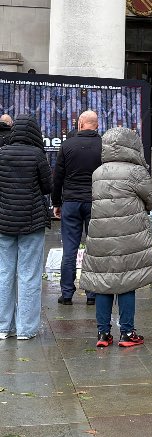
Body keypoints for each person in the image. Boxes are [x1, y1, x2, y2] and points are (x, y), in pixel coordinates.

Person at [80, 127, 152, 348]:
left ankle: (103, 334)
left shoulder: (98, 172)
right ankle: (127, 333)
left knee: (103, 282)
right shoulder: (136, 172)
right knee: (127, 282)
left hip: (100, 235)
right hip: (129, 234)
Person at [0, 115, 52, 340]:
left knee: (4, 274)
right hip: (32, 222)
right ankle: (26, 329)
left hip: (3, 223)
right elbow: (48, 186)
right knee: (29, 276)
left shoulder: (1, 154)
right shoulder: (37, 155)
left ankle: (3, 326)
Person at [52, 110, 102, 306]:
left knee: (69, 249)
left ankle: (66, 294)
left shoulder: (67, 145)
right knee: (94, 248)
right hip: (95, 202)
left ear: (80, 123)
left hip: (71, 202)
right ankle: (92, 294)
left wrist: (56, 203)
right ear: (96, 125)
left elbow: (58, 178)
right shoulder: (103, 146)